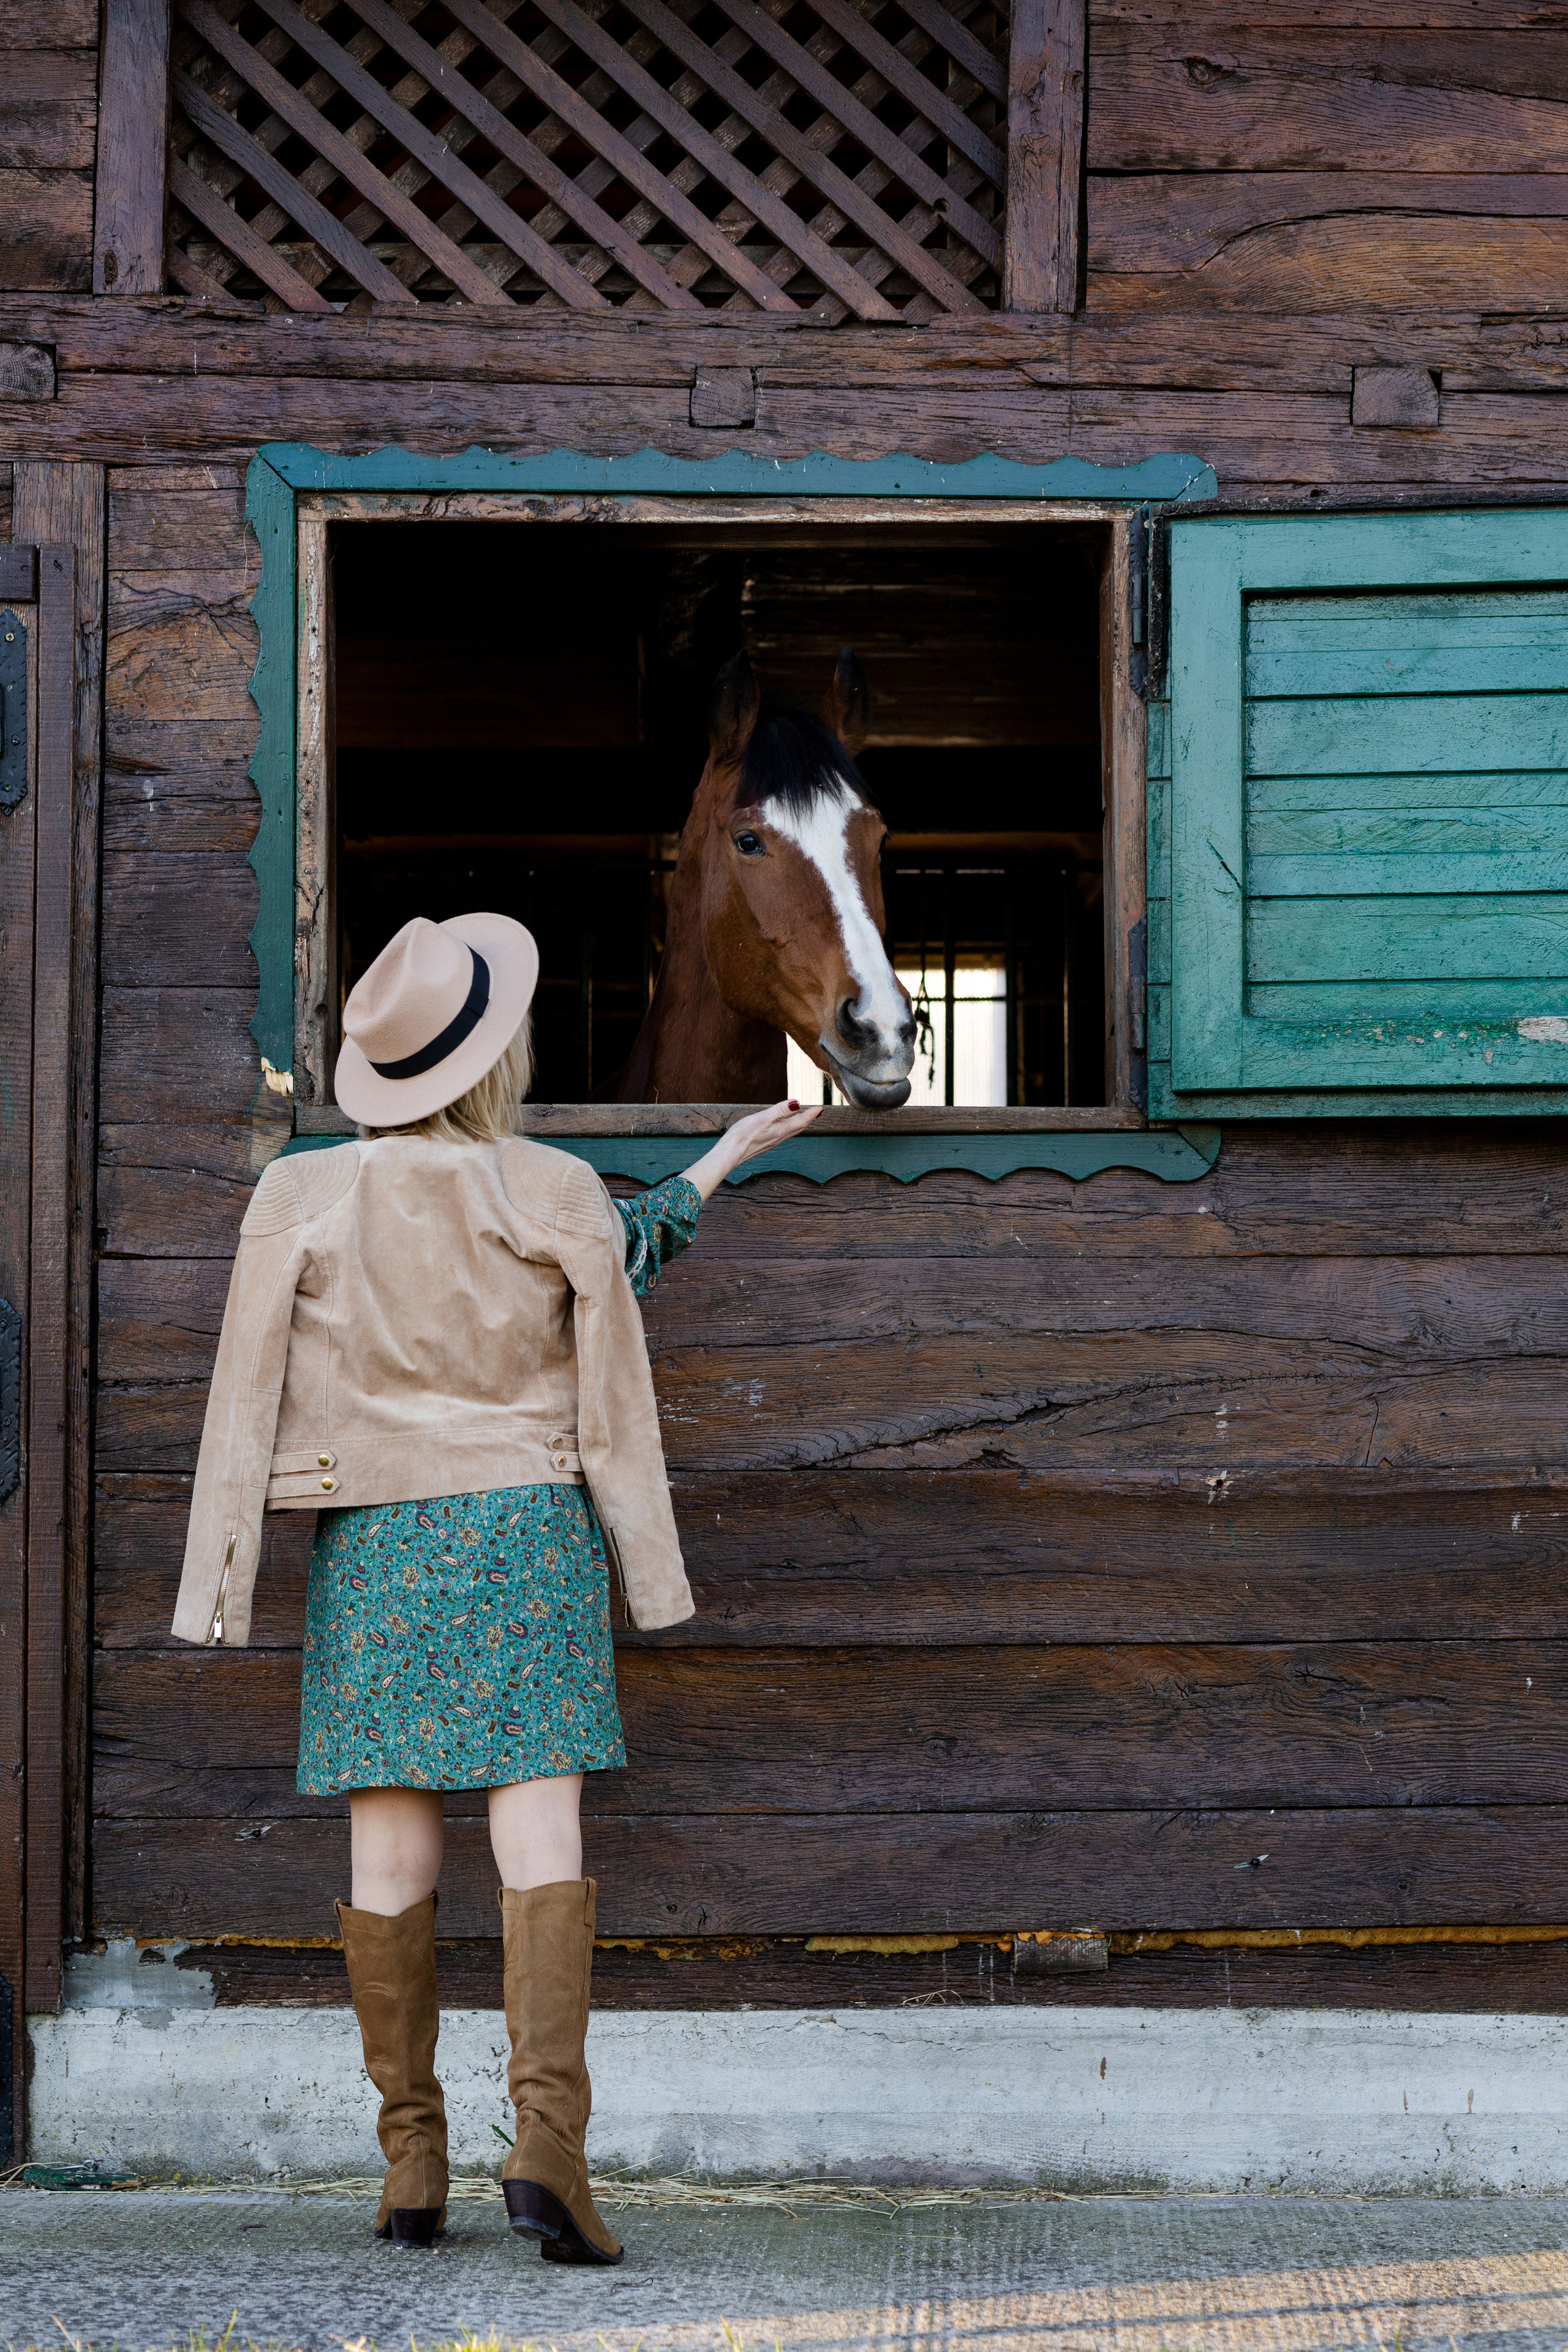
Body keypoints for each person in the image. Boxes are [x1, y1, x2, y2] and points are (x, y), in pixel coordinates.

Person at [171, 911, 819, 2263]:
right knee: (539, 1841)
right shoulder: (553, 1187)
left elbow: (240, 1392)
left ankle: (412, 2170)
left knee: (388, 1846)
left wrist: (219, 1577)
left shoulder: (300, 1192)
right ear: (490, 1056)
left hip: (376, 1548)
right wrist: (722, 1160)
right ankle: (549, 2157)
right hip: (527, 1536)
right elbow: (625, 1290)